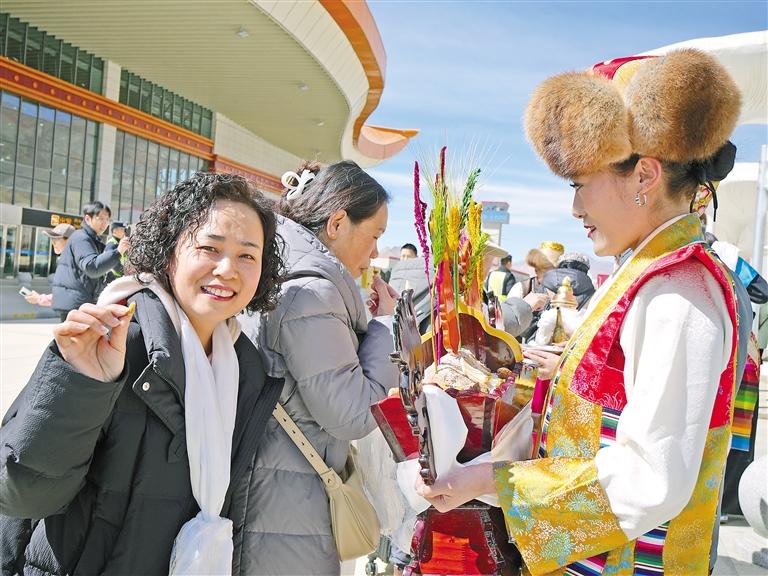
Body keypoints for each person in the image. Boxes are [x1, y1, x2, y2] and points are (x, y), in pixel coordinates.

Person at [416, 49, 743, 574]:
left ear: (644, 176)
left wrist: (491, 480)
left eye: (579, 185)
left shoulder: (677, 293)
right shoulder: (648, 275)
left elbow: (651, 479)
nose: (574, 209)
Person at [0, 173, 285, 575]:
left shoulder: (244, 368)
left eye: (247, 256)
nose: (227, 269)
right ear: (169, 252)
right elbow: (20, 494)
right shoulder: (113, 340)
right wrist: (80, 384)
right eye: (209, 248)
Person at [239, 160, 400, 575]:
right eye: (375, 235)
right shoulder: (311, 292)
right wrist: (385, 328)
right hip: (288, 505)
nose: (376, 253)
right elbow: (353, 413)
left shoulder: (286, 272)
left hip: (277, 488)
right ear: (337, 223)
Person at [50, 201, 128, 320]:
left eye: (107, 220)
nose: (104, 223)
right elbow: (92, 267)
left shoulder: (92, 240)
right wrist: (118, 252)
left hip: (78, 301)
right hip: (75, 303)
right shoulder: (81, 238)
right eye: (100, 218)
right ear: (87, 218)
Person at [21, 223, 75, 308]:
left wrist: (40, 299)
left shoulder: (76, 262)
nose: (53, 243)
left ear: (69, 241)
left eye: (57, 239)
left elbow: (73, 296)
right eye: (52, 239)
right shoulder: (66, 260)